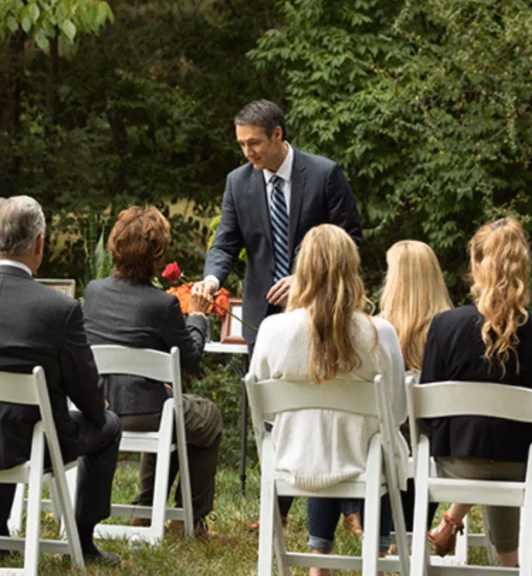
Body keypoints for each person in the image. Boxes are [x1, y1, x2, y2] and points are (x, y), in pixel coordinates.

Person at [193, 98, 363, 527]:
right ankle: (278, 506)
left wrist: (310, 278)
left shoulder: (325, 174)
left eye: (254, 144)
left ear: (278, 136)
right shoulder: (238, 182)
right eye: (242, 145)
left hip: (322, 311)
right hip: (265, 319)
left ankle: (351, 507)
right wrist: (213, 278)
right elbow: (226, 243)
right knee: (271, 411)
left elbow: (351, 240)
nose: (248, 153)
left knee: (330, 403)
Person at [0, 196, 123, 566]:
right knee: (109, 427)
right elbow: (84, 387)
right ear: (39, 243)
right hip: (31, 441)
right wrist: (98, 410)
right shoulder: (59, 308)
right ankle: (83, 541)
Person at [249, 224, 407, 576]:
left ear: (301, 270)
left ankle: (318, 564)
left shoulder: (275, 329)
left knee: (319, 433)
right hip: (363, 463)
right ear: (352, 269)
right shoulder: (380, 332)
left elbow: (265, 407)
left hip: (294, 459)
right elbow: (396, 412)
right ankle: (377, 560)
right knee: (370, 440)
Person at [421, 217, 532, 567]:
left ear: (475, 264)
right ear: (524, 267)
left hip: (454, 466)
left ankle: (497, 556)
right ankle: (511, 565)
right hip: (520, 467)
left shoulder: (445, 326)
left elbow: (426, 413)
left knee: (481, 453)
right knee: (503, 451)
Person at [83, 206, 223, 536]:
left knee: (174, 407)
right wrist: (198, 317)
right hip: (144, 411)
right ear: (157, 257)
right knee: (208, 417)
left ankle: (145, 509)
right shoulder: (163, 304)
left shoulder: (93, 292)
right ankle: (190, 519)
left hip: (99, 406)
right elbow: (189, 359)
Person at [375, 240, 453, 553]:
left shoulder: (378, 330)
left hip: (384, 455)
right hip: (438, 454)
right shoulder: (452, 329)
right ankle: (409, 529)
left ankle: (391, 530)